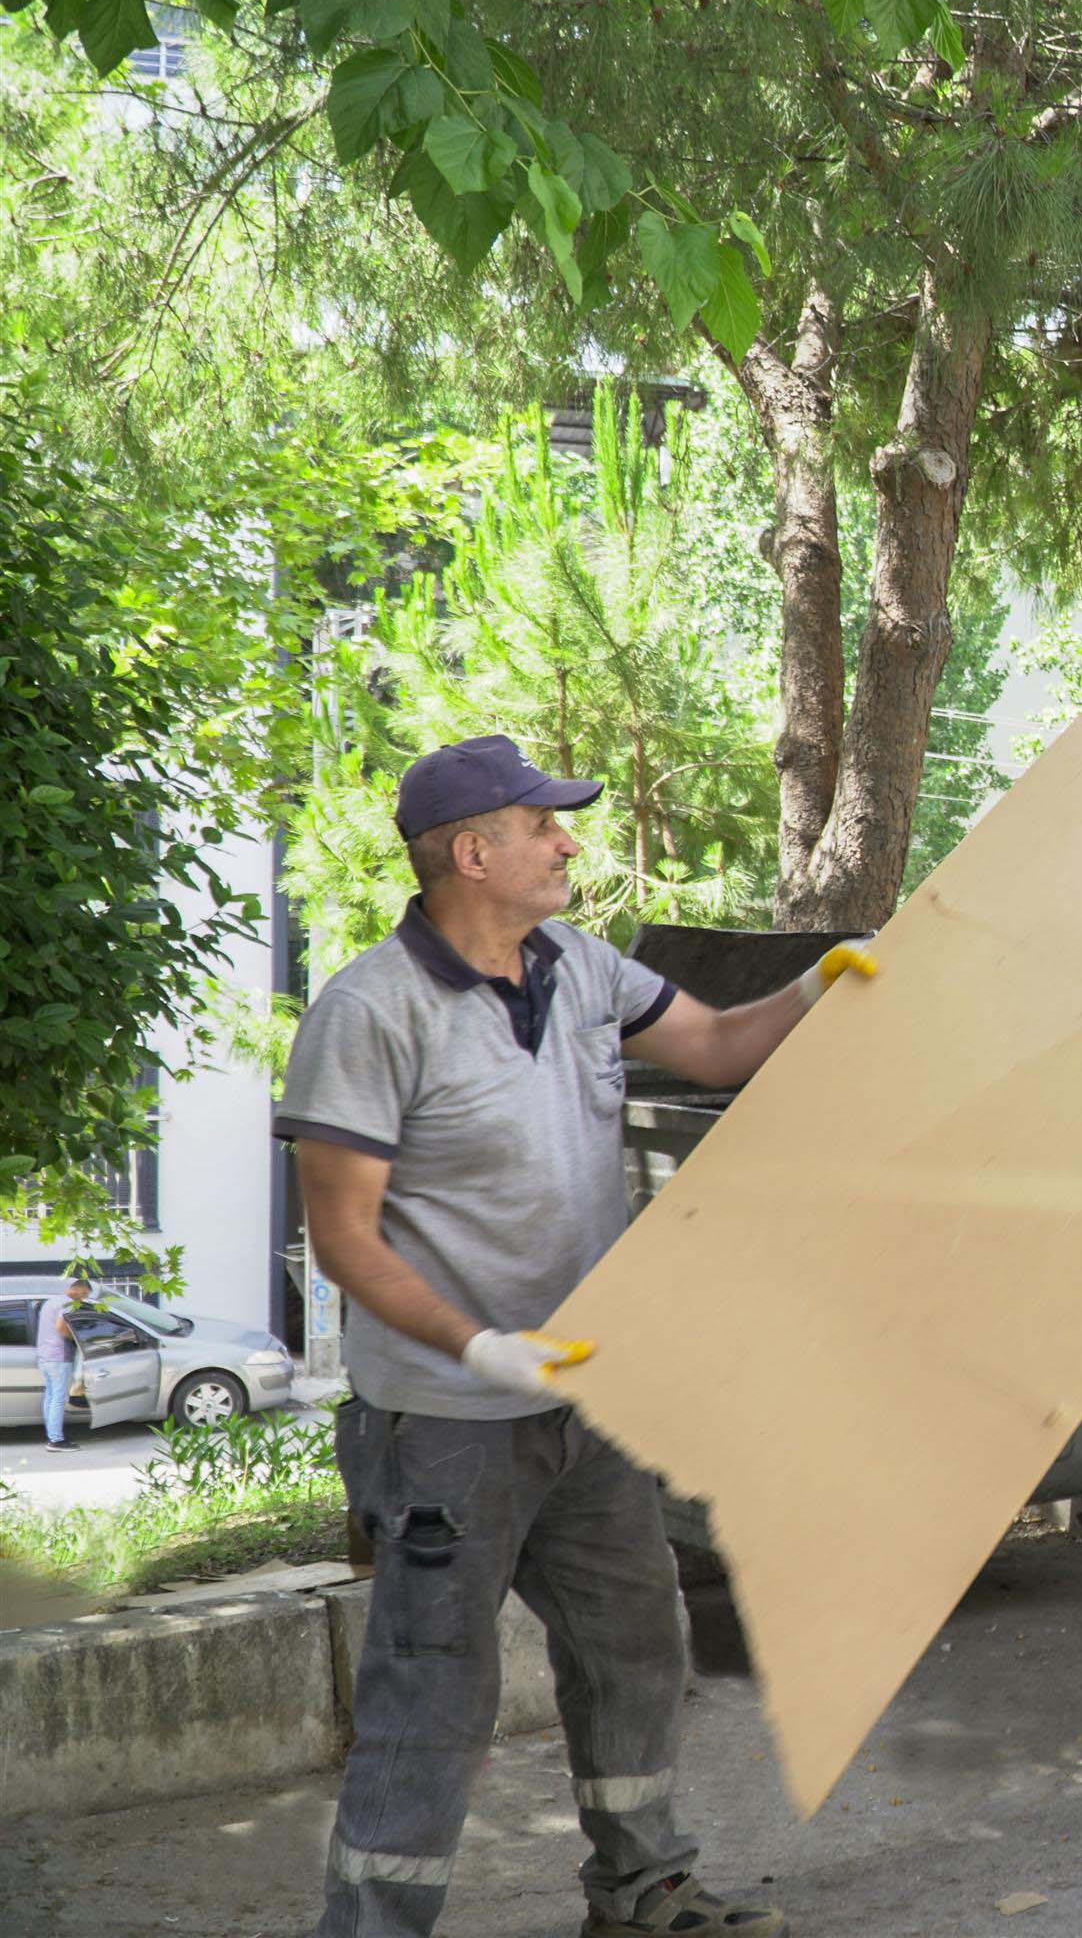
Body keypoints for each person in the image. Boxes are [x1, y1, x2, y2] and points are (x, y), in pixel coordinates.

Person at [274, 734, 874, 1938]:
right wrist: (477, 1345)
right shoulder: (370, 1011)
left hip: (582, 1404)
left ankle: (642, 1891)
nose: (568, 840)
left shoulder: (581, 965)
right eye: (543, 823)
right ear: (472, 852)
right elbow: (343, 1239)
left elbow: (715, 1045)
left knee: (637, 1643)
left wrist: (814, 989)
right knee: (436, 1693)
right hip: (444, 1423)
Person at [34, 1272, 86, 1451]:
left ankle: (52, 1434)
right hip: (60, 1357)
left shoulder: (50, 1302)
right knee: (58, 1398)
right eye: (84, 1293)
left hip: (45, 1356)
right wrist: (76, 1339)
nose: (84, 1297)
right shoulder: (67, 1304)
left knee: (50, 1396)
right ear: (76, 1288)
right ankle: (56, 1440)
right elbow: (61, 1327)